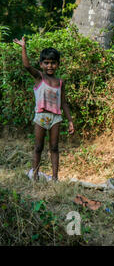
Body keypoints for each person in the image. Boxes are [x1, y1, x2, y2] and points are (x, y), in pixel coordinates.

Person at [13, 36, 74, 181]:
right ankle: (34, 176)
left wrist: (70, 120)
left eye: (53, 63)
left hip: (55, 118)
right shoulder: (40, 77)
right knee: (38, 147)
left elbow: (64, 103)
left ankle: (55, 178)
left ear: (58, 64)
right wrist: (23, 47)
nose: (50, 66)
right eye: (46, 63)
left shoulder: (60, 82)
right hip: (41, 117)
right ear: (41, 64)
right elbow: (27, 66)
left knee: (54, 147)